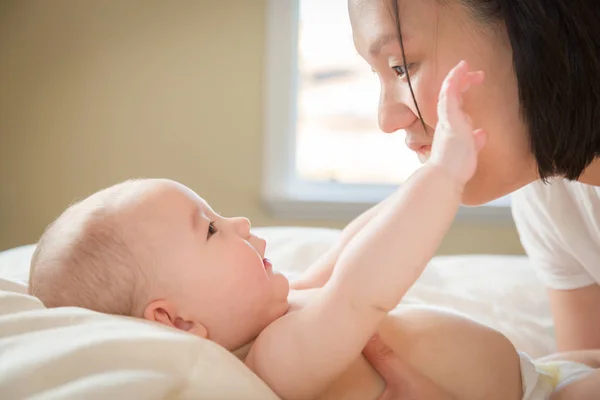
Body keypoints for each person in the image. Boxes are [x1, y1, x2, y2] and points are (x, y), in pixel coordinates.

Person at [28, 62, 600, 399]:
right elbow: (363, 287)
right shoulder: (275, 359)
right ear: (176, 320)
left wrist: (425, 174)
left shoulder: (285, 307)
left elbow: (350, 248)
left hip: (541, 370)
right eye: (209, 230)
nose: (240, 223)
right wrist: (446, 178)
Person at [294, 0, 600, 394]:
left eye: (401, 67)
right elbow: (582, 371)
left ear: (540, 26)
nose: (386, 120)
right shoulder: (553, 195)